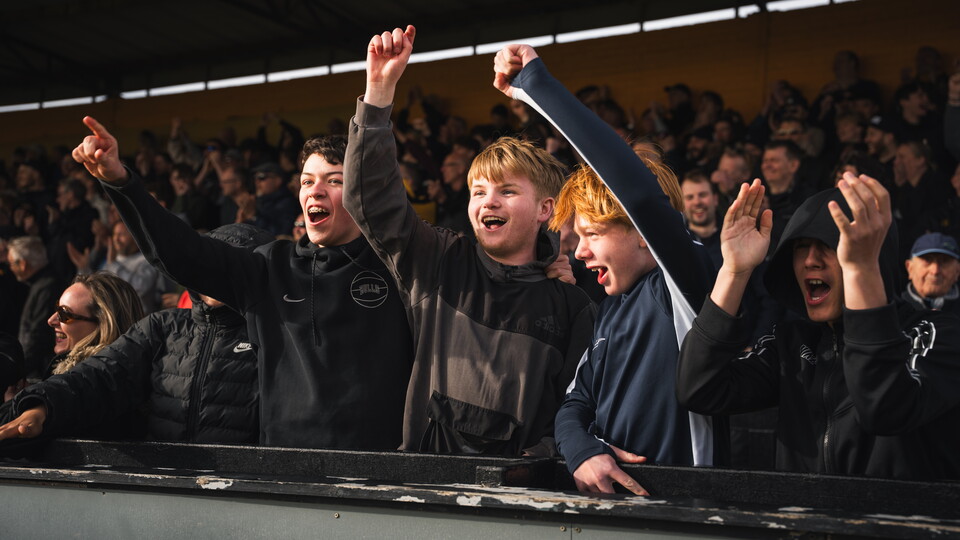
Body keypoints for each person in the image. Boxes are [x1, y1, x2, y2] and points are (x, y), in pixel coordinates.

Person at [71, 118, 413, 450]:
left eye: (334, 180)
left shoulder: (403, 265)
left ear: (360, 191)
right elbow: (182, 253)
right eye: (307, 181)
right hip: (284, 469)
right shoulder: (270, 267)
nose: (315, 191)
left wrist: (377, 101)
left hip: (377, 469)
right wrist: (121, 182)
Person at [345, 26, 594, 456]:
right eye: (478, 191)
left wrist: (543, 455)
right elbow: (370, 199)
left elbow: (579, 408)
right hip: (426, 486)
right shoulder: (439, 260)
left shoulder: (573, 306)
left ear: (545, 209)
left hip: (522, 493)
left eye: (507, 191)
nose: (487, 202)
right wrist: (379, 92)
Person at [488, 43, 724, 495]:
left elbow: (634, 189)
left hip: (682, 512)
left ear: (642, 232)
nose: (580, 252)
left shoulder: (683, 287)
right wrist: (583, 451)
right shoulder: (610, 309)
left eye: (593, 234)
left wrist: (535, 84)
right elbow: (574, 406)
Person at [677, 173, 960, 480]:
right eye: (801, 247)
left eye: (830, 244)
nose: (811, 260)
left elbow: (886, 410)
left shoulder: (935, 334)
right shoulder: (794, 343)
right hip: (801, 513)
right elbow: (700, 389)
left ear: (875, 254)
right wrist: (734, 272)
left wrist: (862, 270)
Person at [0, 224, 271, 445]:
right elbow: (100, 377)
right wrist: (42, 407)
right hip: (158, 485)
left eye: (230, 265)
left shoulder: (276, 336)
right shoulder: (163, 326)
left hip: (245, 488)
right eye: (208, 261)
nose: (214, 273)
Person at [7, 236, 63, 380]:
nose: (11, 268)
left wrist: (15, 372)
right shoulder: (42, 284)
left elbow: (38, 335)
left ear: (23, 264)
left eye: (11, 263)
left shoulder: (47, 287)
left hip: (42, 371)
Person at [902, 232, 960, 314]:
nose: (935, 271)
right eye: (927, 260)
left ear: (957, 271)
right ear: (909, 268)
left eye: (944, 261)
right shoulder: (894, 310)